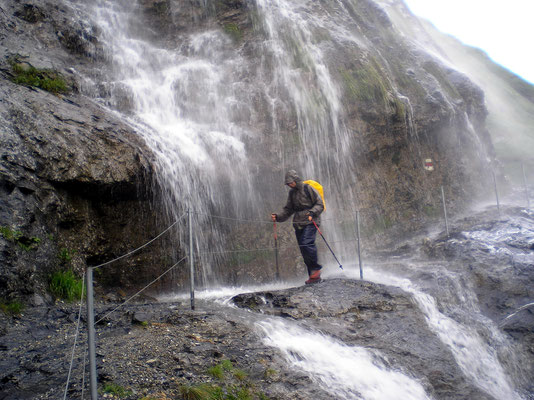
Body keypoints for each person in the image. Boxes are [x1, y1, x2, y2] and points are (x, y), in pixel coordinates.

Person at [271, 170, 324, 284]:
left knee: (307, 243)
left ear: (295, 180)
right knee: (303, 248)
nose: (289, 185)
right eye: (288, 183)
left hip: (311, 220)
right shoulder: (292, 193)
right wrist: (278, 217)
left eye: (290, 182)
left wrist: (312, 213)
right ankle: (313, 276)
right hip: (298, 223)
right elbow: (288, 210)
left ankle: (316, 269)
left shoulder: (307, 188)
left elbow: (320, 204)